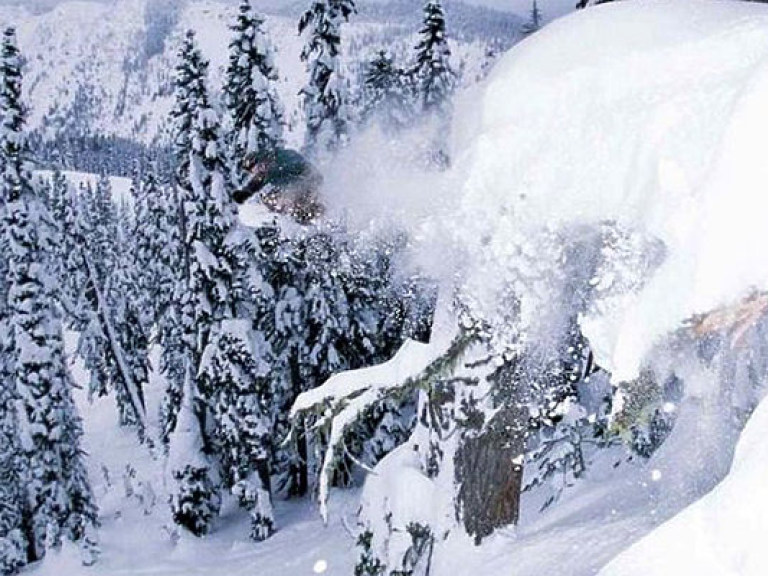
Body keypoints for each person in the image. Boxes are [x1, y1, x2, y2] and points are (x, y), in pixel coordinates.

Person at [233, 148, 324, 223]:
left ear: (259, 161)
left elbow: (297, 166)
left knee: (282, 199)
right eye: (253, 172)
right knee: (274, 199)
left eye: (254, 169)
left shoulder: (278, 159)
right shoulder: (269, 166)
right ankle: (307, 214)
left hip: (307, 179)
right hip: (299, 183)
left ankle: (312, 212)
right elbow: (259, 180)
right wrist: (246, 192)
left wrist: (248, 192)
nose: (256, 173)